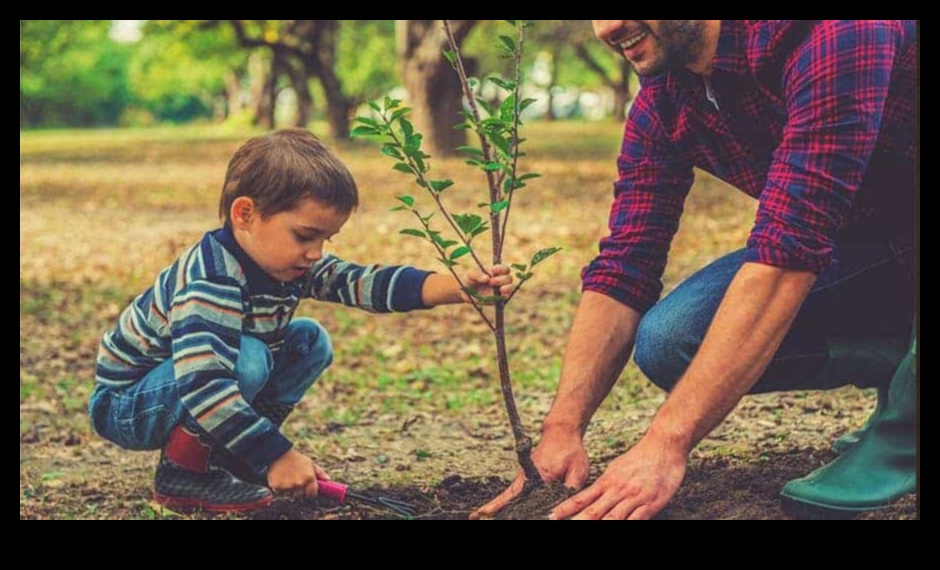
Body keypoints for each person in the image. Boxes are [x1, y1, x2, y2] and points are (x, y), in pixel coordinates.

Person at [474, 20, 916, 520]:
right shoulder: (669, 96)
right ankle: (902, 361)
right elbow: (626, 263)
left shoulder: (839, 32)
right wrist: (562, 429)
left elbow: (789, 251)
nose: (606, 28)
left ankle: (909, 424)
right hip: (881, 244)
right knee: (673, 339)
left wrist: (664, 445)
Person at [88, 129, 514, 512]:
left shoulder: (286, 262)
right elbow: (204, 385)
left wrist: (457, 288)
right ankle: (184, 474)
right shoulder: (212, 280)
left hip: (188, 388)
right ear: (245, 215)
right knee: (249, 358)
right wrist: (276, 454)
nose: (316, 252)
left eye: (325, 240)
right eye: (304, 236)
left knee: (308, 340)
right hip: (128, 403)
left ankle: (233, 458)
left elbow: (361, 282)